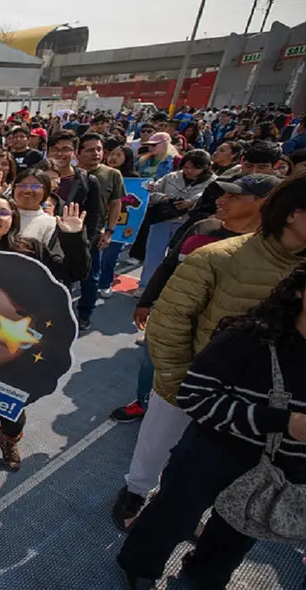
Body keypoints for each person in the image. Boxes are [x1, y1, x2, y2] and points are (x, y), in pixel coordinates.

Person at [112, 174, 306, 534]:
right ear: (293, 213)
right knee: (157, 444)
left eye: (237, 195)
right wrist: (178, 383)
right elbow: (168, 324)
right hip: (190, 380)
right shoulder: (217, 256)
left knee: (209, 468)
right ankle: (136, 492)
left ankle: (181, 514)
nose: (224, 200)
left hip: (254, 402)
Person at [117, 261, 306, 590]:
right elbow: (194, 396)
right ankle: (139, 565)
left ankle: (205, 574)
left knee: (237, 535)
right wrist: (281, 422)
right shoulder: (251, 337)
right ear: (301, 290)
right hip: (213, 452)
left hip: (285, 468)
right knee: (173, 516)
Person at [109, 174, 280, 426]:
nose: (221, 200)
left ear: (264, 203)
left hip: (215, 336)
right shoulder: (203, 227)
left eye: (233, 197)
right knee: (151, 364)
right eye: (223, 194)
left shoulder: (268, 250)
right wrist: (146, 301)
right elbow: (168, 265)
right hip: (169, 318)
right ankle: (144, 402)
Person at [0, 195, 90, 466]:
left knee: (11, 406)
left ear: (13, 221)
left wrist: (73, 237)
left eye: (3, 212)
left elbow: (75, 272)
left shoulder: (31, 250)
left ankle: (8, 443)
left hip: (13, 349)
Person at [136, 150, 215, 295]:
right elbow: (151, 193)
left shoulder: (213, 182)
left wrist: (192, 203)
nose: (189, 171)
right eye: (186, 167)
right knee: (153, 255)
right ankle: (145, 286)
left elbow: (211, 203)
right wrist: (164, 198)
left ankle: (169, 289)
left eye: (195, 168)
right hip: (162, 220)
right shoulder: (171, 177)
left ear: (205, 167)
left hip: (188, 224)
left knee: (179, 258)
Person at [75, 133, 125, 330]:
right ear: (78, 154)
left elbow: (115, 204)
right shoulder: (70, 173)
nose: (96, 153)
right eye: (89, 150)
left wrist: (109, 231)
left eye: (99, 149)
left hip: (95, 234)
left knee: (91, 277)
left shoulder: (112, 174)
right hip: (66, 233)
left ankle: (84, 314)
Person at [48, 131, 102, 245]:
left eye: (66, 149)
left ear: (75, 153)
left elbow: (94, 214)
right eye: (54, 149)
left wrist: (87, 242)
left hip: (72, 240)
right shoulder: (37, 176)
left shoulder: (88, 180)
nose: (59, 154)